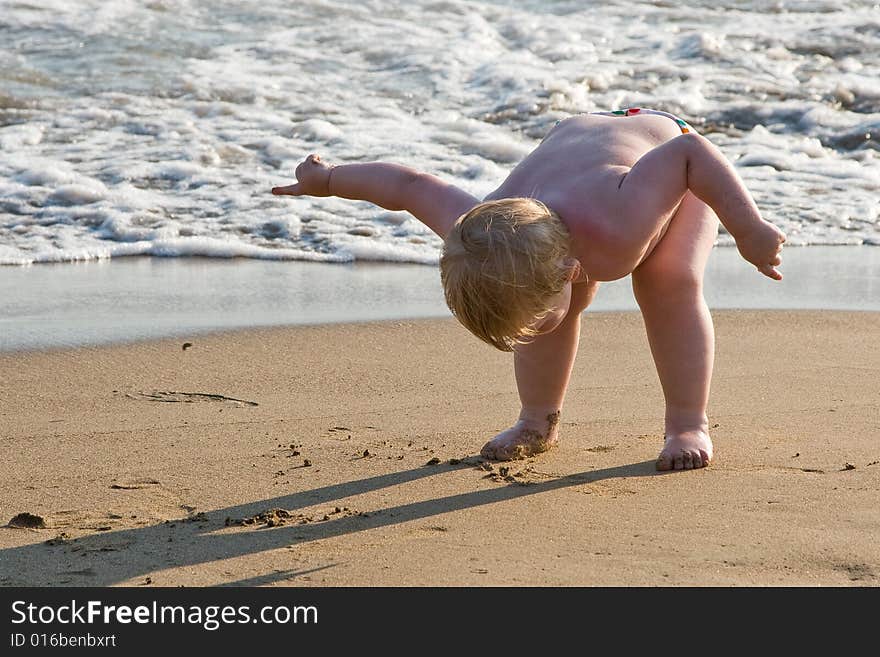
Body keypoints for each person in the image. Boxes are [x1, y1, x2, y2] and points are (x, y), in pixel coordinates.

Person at [271, 107, 786, 471]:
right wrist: (331, 178)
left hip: (671, 155)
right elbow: (409, 187)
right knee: (547, 307)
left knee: (667, 281)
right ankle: (537, 419)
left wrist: (749, 229)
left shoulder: (620, 224)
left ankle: (687, 423)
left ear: (568, 268)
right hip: (579, 141)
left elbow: (691, 152)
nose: (529, 334)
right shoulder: (475, 227)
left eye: (529, 327)